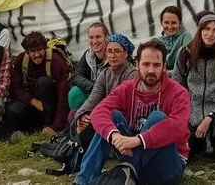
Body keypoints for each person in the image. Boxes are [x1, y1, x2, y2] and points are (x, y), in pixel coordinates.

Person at [73, 39, 190, 185]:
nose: (151, 70)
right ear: (137, 65)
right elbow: (99, 111)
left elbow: (178, 127)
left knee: (158, 118)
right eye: (146, 64)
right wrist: (114, 135)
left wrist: (137, 140)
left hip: (166, 166)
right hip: (132, 154)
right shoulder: (127, 88)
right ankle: (83, 181)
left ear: (164, 67)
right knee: (113, 116)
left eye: (156, 65)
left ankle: (126, 171)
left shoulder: (178, 92)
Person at [174, 12, 215, 160]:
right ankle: (199, 145)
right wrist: (184, 113)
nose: (210, 34)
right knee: (188, 148)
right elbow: (177, 87)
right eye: (206, 29)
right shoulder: (185, 53)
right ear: (200, 30)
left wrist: (211, 116)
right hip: (192, 110)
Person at [73, 34, 138, 149]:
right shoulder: (105, 73)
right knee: (74, 115)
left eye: (117, 51)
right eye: (109, 51)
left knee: (100, 121)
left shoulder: (132, 74)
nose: (112, 55)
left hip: (123, 120)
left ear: (126, 54)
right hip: (106, 113)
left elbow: (120, 104)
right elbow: (93, 98)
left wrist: (95, 116)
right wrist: (81, 115)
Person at [6, 32, 70, 135]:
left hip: (53, 105)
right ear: (27, 52)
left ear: (44, 48)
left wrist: (56, 126)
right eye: (33, 51)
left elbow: (64, 95)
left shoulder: (56, 61)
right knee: (12, 111)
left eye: (40, 50)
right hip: (35, 102)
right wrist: (33, 101)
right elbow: (16, 88)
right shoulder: (21, 60)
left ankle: (48, 124)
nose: (37, 55)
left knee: (43, 82)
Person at [68, 22, 110, 111]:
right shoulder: (88, 55)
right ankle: (80, 121)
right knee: (74, 93)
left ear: (106, 37)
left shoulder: (113, 55)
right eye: (91, 37)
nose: (94, 41)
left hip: (109, 96)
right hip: (94, 92)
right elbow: (75, 76)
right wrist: (93, 87)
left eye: (98, 37)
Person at [158, 6, 192, 73]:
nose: (170, 27)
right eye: (166, 22)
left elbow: (188, 66)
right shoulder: (158, 41)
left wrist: (166, 73)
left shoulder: (186, 37)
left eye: (173, 23)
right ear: (161, 23)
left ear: (180, 23)